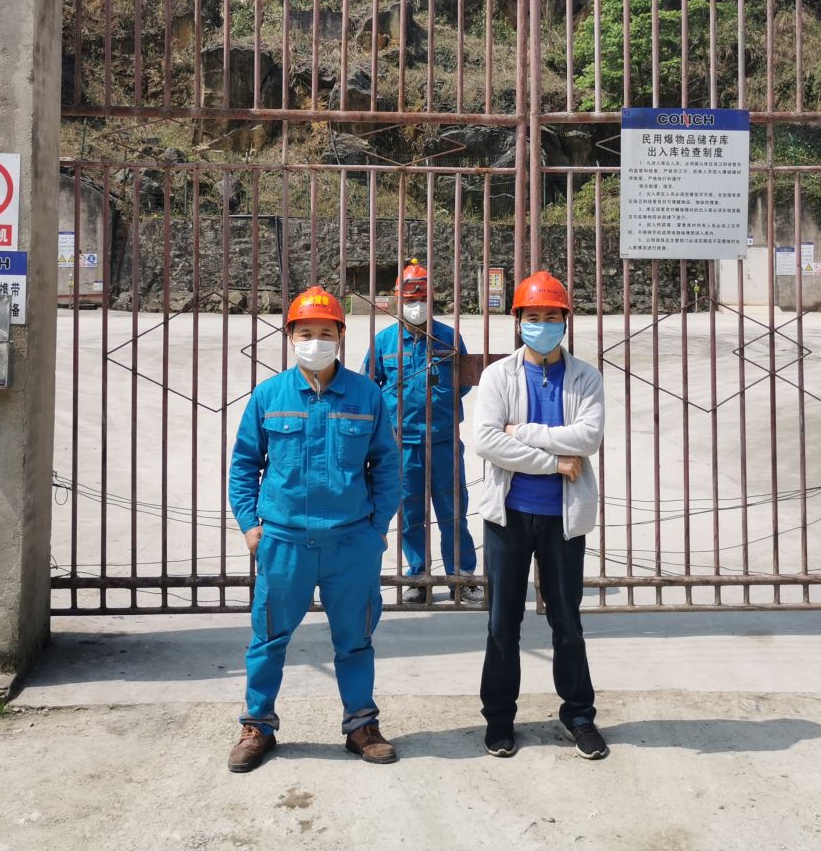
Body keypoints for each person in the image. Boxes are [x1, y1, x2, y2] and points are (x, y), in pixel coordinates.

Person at [226, 286, 401, 773]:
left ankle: (361, 725)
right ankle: (257, 725)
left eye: (326, 332)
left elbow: (387, 467)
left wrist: (377, 528)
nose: (316, 341)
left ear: (341, 336)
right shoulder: (269, 395)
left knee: (356, 640)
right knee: (268, 640)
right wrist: (250, 526)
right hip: (284, 543)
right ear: (291, 337)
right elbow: (244, 465)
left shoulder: (367, 395)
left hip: (351, 542)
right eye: (306, 333)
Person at [471, 270, 609, 761]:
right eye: (534, 316)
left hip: (563, 519)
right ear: (518, 321)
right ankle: (499, 720)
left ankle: (579, 716)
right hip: (509, 515)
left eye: (552, 316)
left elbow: (588, 437)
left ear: (565, 321)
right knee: (502, 623)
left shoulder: (585, 377)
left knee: (567, 621)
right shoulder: (498, 376)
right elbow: (486, 440)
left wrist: (523, 432)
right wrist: (553, 461)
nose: (543, 324)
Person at [363, 259, 483, 606]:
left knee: (453, 512)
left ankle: (461, 577)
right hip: (401, 445)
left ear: (432, 299)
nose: (416, 306)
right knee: (410, 514)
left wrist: (441, 406)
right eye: (410, 300)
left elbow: (463, 382)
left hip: (443, 441)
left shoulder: (449, 338)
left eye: (422, 299)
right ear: (398, 300)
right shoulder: (384, 342)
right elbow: (370, 386)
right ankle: (418, 578)